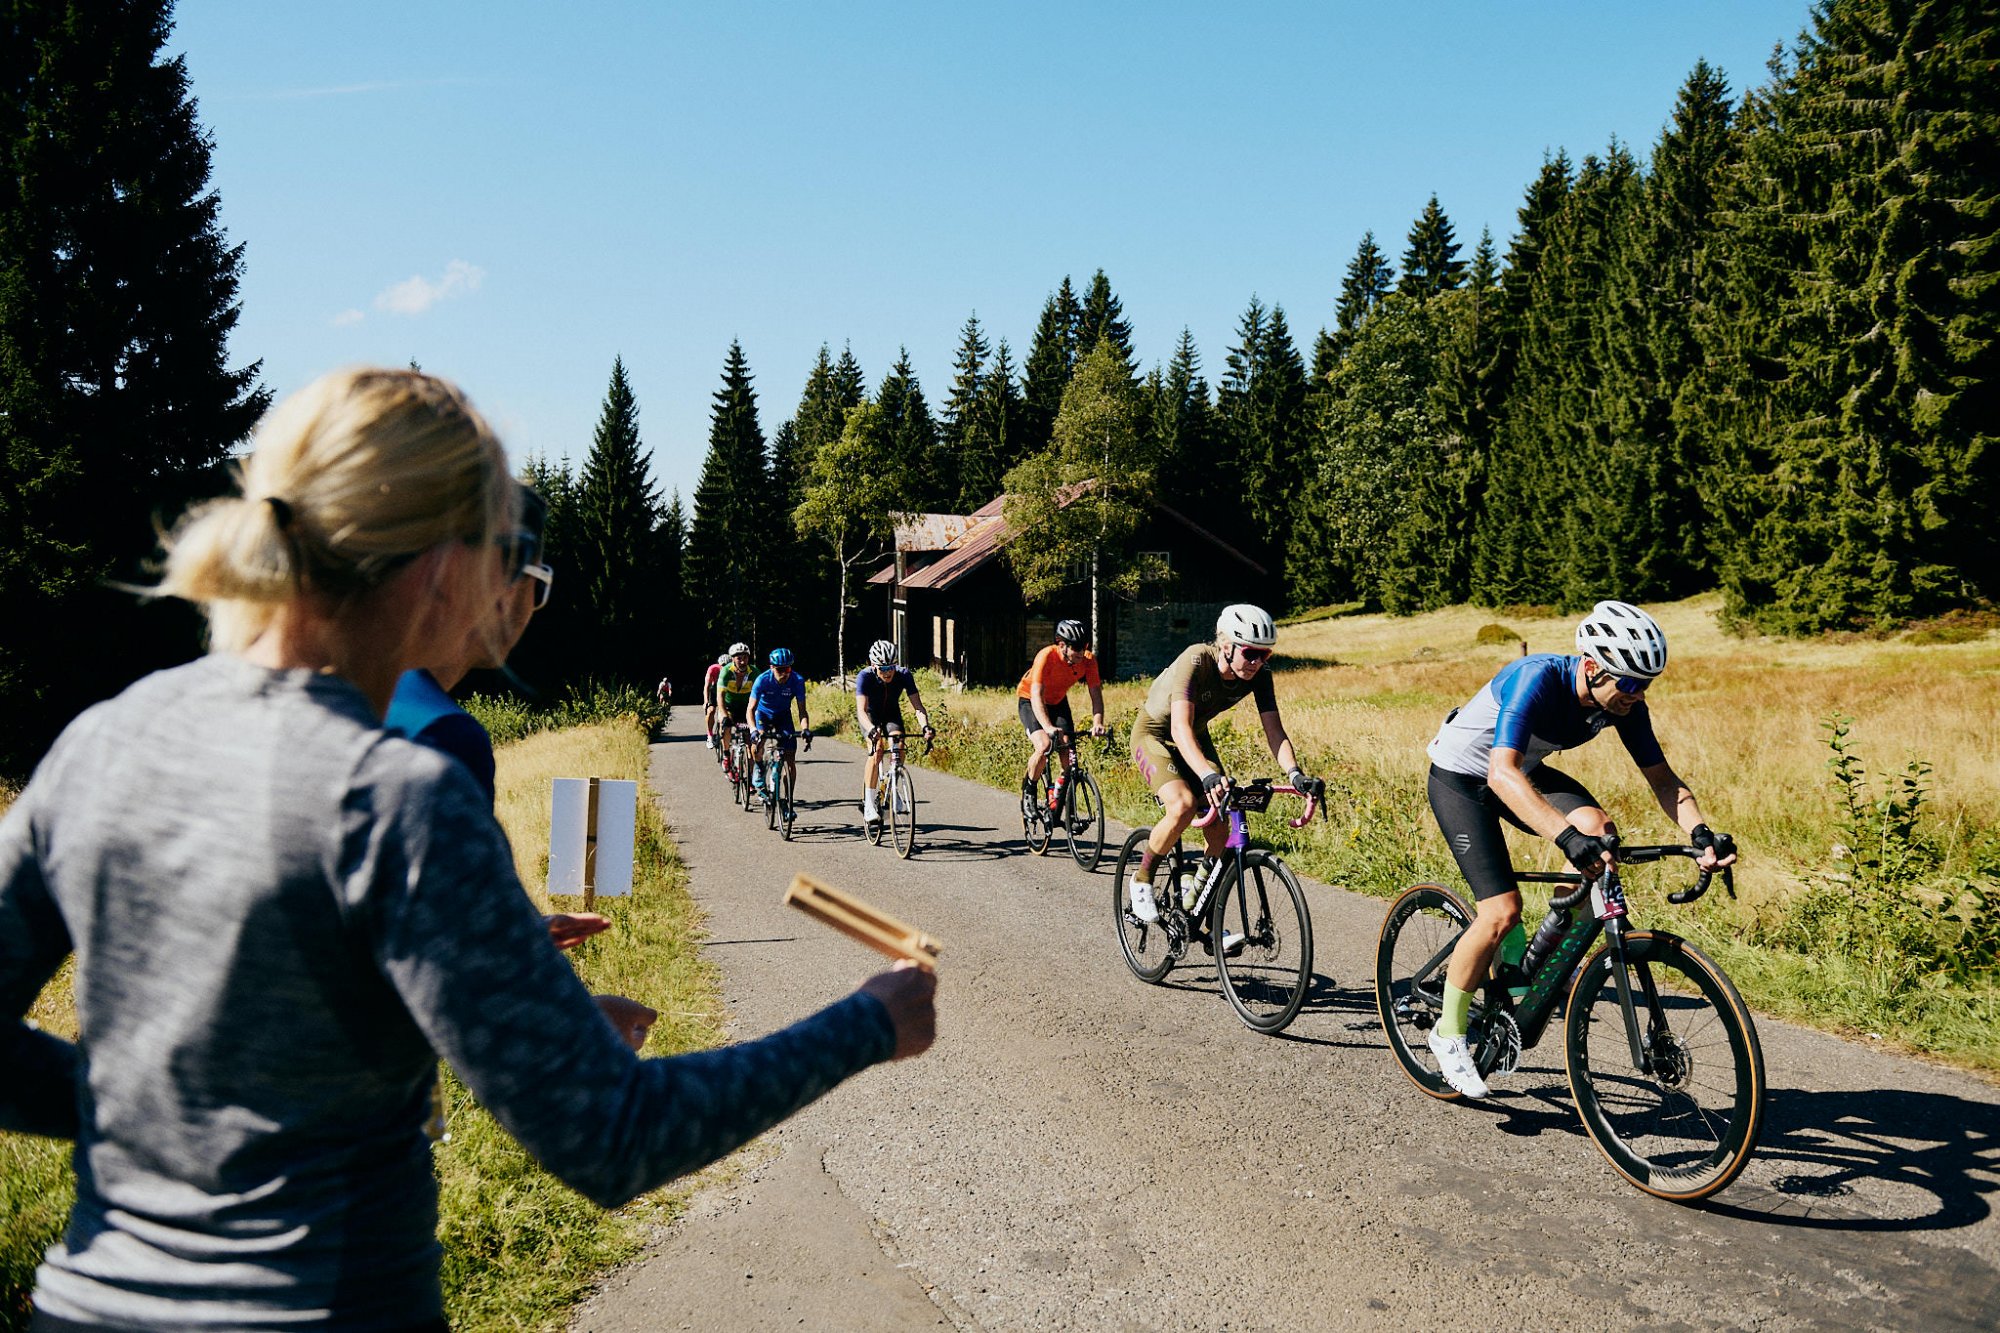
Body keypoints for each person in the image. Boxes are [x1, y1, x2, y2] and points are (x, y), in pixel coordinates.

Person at [0, 367, 936, 1331]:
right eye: (502, 547)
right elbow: (615, 1135)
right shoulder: (400, 796)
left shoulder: (103, 742)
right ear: (441, 564)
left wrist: (141, 1111)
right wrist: (870, 1020)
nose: (509, 584)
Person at [1422, 599, 1736, 1098]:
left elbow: (1662, 779)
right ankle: (1449, 1032)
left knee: (1598, 828)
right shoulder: (1537, 678)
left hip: (1519, 772)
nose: (1637, 695)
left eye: (1646, 685)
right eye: (1629, 683)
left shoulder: (1622, 704)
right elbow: (1500, 773)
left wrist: (1700, 832)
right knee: (1501, 911)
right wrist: (1565, 838)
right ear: (1591, 667)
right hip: (1464, 779)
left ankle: (1542, 956)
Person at [1125, 605, 1322, 943]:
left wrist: (1295, 774)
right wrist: (1206, 775)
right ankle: (1141, 880)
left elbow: (1275, 731)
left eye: (1265, 655)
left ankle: (1194, 908)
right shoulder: (1197, 659)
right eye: (1251, 653)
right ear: (1227, 645)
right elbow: (1179, 727)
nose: (1258, 662)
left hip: (1194, 737)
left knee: (1221, 828)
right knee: (1184, 805)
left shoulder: (1260, 675)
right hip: (1155, 735)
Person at [1016, 618, 1107, 816]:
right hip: (1030, 700)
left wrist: (1098, 723)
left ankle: (1061, 800)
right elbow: (1036, 695)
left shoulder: (1088, 661)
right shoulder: (1046, 656)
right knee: (1044, 745)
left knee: (1070, 759)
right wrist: (1048, 727)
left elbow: (1096, 697)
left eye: (1084, 647)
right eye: (1076, 648)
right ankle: (1030, 791)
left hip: (1058, 702)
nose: (1080, 653)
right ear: (1062, 645)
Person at [854, 639, 933, 831]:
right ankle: (870, 805)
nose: (888, 672)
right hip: (870, 716)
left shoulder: (904, 675)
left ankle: (893, 786)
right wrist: (872, 730)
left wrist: (925, 727)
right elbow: (861, 711)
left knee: (899, 744)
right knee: (877, 750)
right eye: (883, 668)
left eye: (891, 667)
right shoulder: (864, 677)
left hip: (891, 714)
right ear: (874, 665)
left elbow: (918, 707)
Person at [748, 648, 811, 819]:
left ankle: (787, 802)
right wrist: (753, 730)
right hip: (763, 715)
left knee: (790, 757)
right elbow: (750, 709)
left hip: (783, 716)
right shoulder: (762, 680)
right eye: (780, 669)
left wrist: (805, 729)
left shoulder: (797, 680)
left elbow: (802, 711)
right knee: (757, 744)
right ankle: (759, 768)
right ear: (771, 667)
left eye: (787, 669)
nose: (784, 673)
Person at [715, 641, 755, 755]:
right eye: (739, 658)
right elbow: (720, 697)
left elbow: (761, 696)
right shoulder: (726, 672)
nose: (742, 661)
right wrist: (724, 715)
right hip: (729, 706)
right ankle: (726, 753)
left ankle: (750, 769)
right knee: (726, 726)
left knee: (750, 738)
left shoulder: (754, 672)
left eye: (745, 658)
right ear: (732, 659)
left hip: (746, 708)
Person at [702, 651, 728, 753]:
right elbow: (706, 687)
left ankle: (723, 733)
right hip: (714, 689)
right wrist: (706, 702)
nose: (724, 668)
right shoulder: (713, 669)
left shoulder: (733, 670)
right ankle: (709, 735)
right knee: (711, 711)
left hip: (726, 690)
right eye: (723, 666)